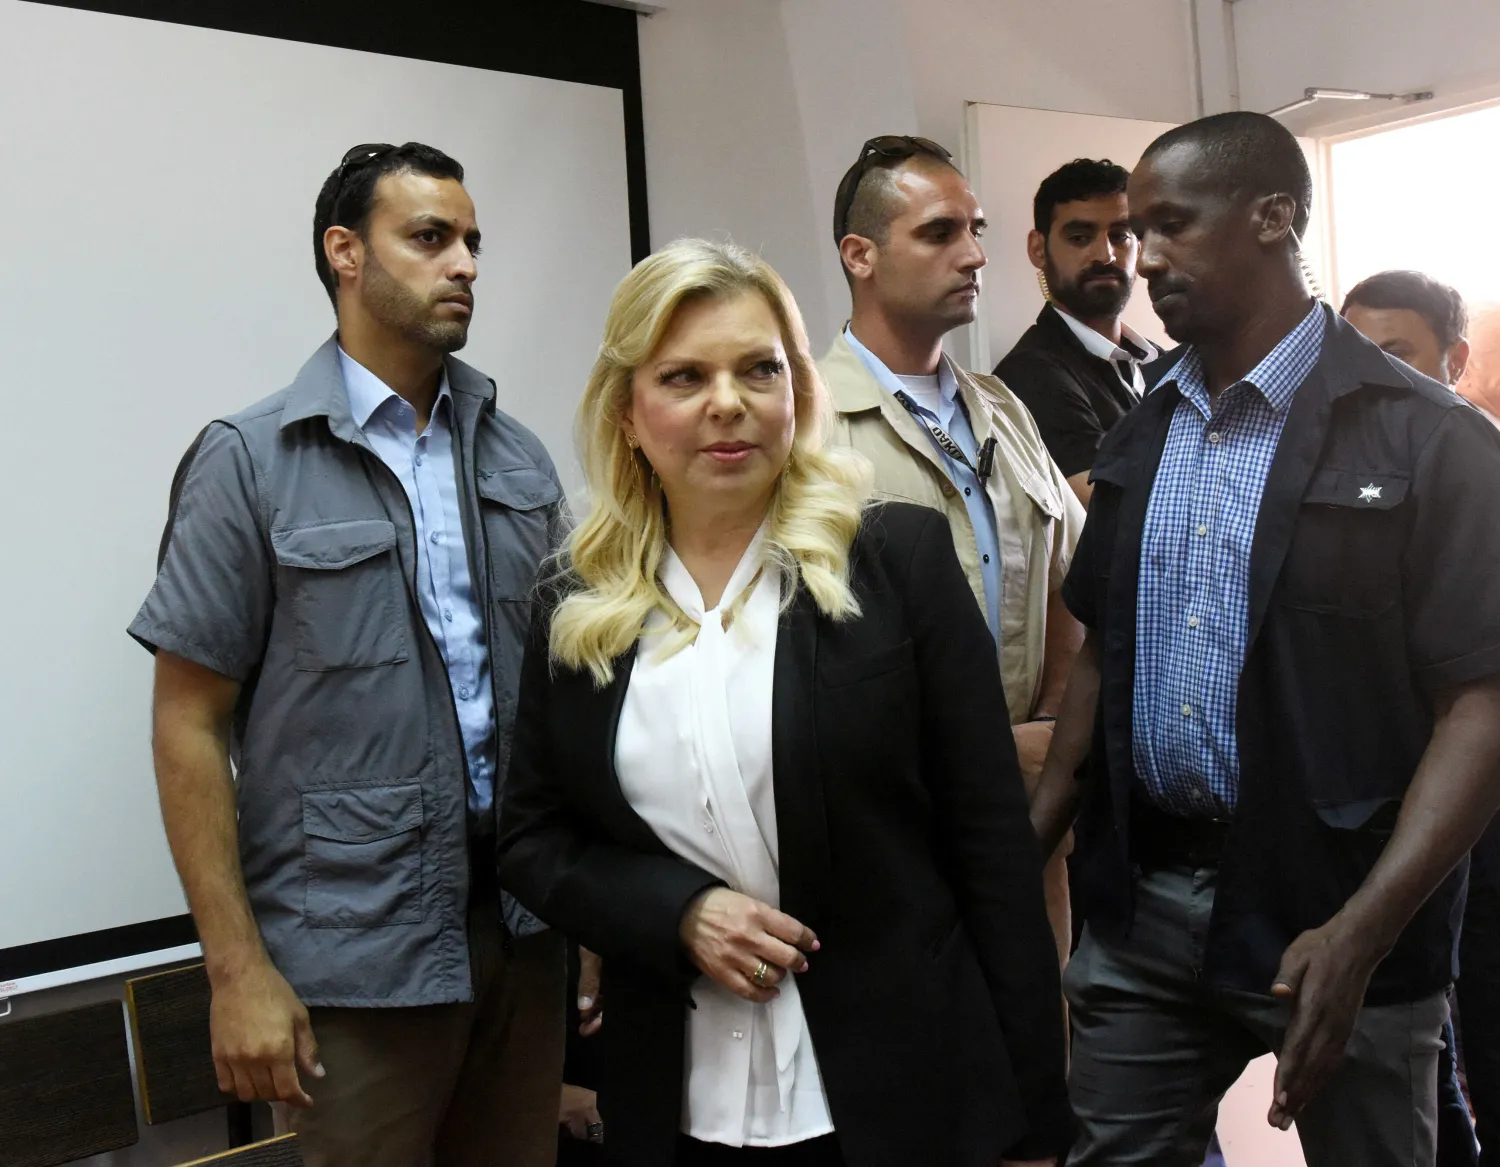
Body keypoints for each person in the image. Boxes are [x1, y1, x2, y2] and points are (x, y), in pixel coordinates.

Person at [498, 238, 1073, 1167]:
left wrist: (1037, 1123)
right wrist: (678, 911)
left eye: (757, 369)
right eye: (684, 376)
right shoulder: (578, 606)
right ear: (628, 413)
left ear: (796, 392)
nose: (727, 402)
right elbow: (533, 838)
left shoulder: (899, 564)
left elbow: (993, 854)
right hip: (673, 1097)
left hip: (893, 1097)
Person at [1029, 111, 1500, 1167]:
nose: (1142, 260)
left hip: (1343, 918)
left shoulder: (1433, 440)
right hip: (1145, 908)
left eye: (1170, 227)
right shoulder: (1141, 431)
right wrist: (1027, 858)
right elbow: (1105, 654)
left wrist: (1364, 933)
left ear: (1274, 216)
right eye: (1134, 234)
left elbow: (1482, 707)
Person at [128, 142, 570, 1167]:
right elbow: (187, 724)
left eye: (472, 242)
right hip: (353, 959)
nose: (463, 263)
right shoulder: (250, 461)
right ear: (346, 254)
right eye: (429, 238)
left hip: (523, 935)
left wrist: (580, 922)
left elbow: (563, 700)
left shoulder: (518, 455)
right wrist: (236, 972)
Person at [820, 135, 1085, 969]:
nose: (974, 254)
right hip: (885, 829)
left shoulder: (1001, 406)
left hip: (1025, 820)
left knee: (1040, 1062)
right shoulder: (803, 421)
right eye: (939, 233)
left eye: (975, 229)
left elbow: (1071, 579)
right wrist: (982, 750)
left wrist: (1049, 729)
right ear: (859, 255)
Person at [1343, 269, 1496, 1167]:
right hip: (1396, 826)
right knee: (1414, 1054)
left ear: (1455, 359)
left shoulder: (1478, 468)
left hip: (1484, 816)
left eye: (1393, 354)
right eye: (1353, 353)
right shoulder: (1344, 491)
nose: (1370, 378)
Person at [995, 158, 1160, 506]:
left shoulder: (1164, 361)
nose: (1106, 254)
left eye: (1121, 235)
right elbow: (1104, 505)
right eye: (1080, 237)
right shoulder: (1031, 373)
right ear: (1038, 249)